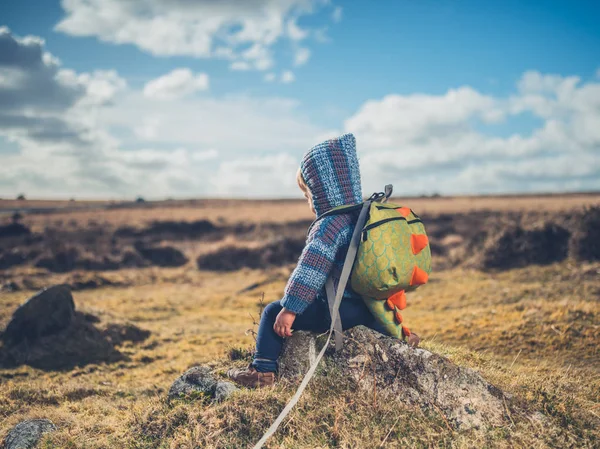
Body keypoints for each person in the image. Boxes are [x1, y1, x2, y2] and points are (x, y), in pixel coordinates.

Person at [227, 133, 388, 388]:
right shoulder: (367, 215)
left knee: (270, 312)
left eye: (308, 195)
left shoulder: (328, 225)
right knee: (376, 314)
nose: (309, 202)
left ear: (323, 190)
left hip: (338, 310)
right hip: (368, 308)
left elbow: (311, 271)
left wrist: (290, 309)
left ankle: (262, 371)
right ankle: (399, 337)